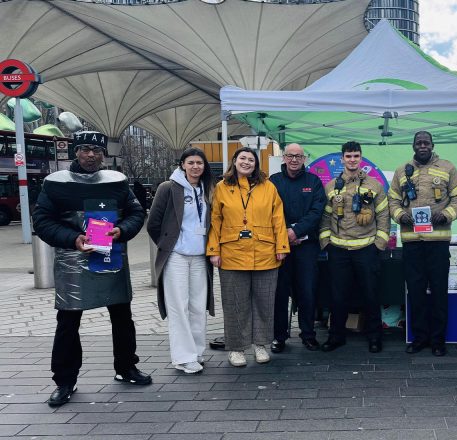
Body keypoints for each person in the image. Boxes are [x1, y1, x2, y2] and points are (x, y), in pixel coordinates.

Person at [33, 131, 151, 407]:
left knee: (122, 316)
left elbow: (136, 213)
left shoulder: (117, 182)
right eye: (85, 149)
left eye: (96, 150)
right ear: (75, 152)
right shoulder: (55, 184)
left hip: (110, 255)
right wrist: (73, 239)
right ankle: (65, 380)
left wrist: (121, 231)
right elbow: (42, 221)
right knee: (68, 323)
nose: (90, 155)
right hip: (73, 261)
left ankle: (126, 367)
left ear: (103, 154)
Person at [206, 147, 289, 367]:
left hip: (265, 253)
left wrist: (282, 246)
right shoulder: (222, 188)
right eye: (242, 158)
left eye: (251, 159)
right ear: (234, 161)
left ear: (256, 164)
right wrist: (213, 251)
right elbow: (215, 222)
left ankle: (261, 345)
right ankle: (236, 348)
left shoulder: (268, 187)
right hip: (232, 254)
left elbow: (278, 219)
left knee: (264, 302)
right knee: (235, 304)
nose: (246, 162)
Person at [389, 131, 457, 356]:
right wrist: (400, 215)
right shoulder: (402, 171)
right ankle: (419, 337)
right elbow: (392, 199)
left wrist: (447, 214)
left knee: (439, 292)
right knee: (415, 292)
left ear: (432, 145)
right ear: (413, 146)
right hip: (412, 243)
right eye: (418, 143)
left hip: (438, 242)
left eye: (426, 143)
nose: (422, 146)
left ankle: (438, 340)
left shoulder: (447, 167)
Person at [147, 148, 215, 374]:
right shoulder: (168, 188)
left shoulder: (208, 189)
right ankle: (183, 357)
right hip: (176, 256)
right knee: (179, 307)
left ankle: (196, 352)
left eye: (200, 163)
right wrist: (169, 245)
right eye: (191, 162)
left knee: (197, 306)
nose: (196, 167)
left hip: (199, 257)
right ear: (182, 165)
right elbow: (153, 223)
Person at [318, 141, 390, 353]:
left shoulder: (374, 185)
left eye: (356, 156)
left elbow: (384, 215)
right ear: (342, 159)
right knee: (338, 297)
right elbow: (324, 217)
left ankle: (374, 337)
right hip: (338, 250)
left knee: (371, 295)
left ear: (361, 158)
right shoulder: (331, 186)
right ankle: (336, 336)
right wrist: (326, 242)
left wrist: (379, 244)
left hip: (367, 248)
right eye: (348, 156)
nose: (352, 160)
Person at [269, 143, 327, 352]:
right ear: (283, 158)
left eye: (298, 156)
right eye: (290, 156)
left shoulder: (314, 181)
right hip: (279, 247)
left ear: (304, 159)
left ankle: (308, 335)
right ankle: (279, 337)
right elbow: (267, 211)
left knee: (307, 292)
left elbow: (317, 210)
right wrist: (285, 234)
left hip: (307, 247)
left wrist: (297, 231)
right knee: (279, 292)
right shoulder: (273, 182)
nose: (294, 160)